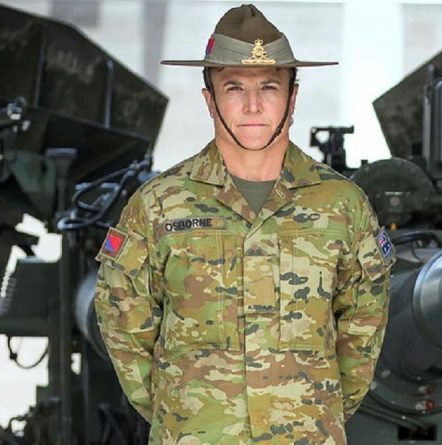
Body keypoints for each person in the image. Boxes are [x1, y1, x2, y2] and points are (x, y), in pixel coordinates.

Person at [93, 4, 395, 444]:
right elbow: (122, 317)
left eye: (269, 87)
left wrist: (317, 406)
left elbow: (364, 324)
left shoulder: (341, 206)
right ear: (209, 99)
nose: (253, 105)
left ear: (293, 97)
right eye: (233, 87)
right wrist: (182, 408)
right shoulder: (160, 205)